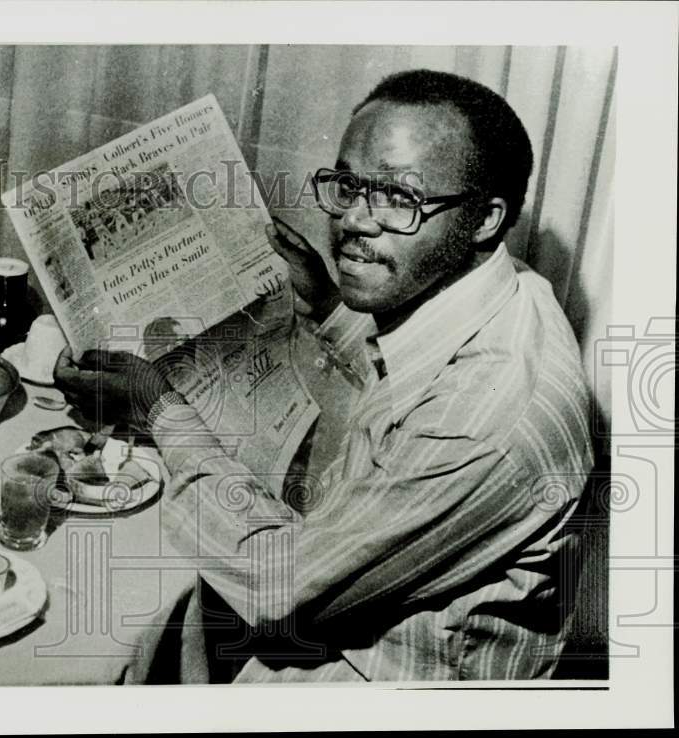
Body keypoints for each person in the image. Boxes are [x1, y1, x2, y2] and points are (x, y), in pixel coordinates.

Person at [54, 69, 594, 682]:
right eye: (346, 184)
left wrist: (159, 410)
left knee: (88, 627)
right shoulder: (507, 288)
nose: (354, 222)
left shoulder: (480, 423)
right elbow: (408, 383)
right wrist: (329, 309)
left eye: (398, 198)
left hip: (373, 683)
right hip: (333, 620)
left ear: (484, 219)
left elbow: (277, 587)